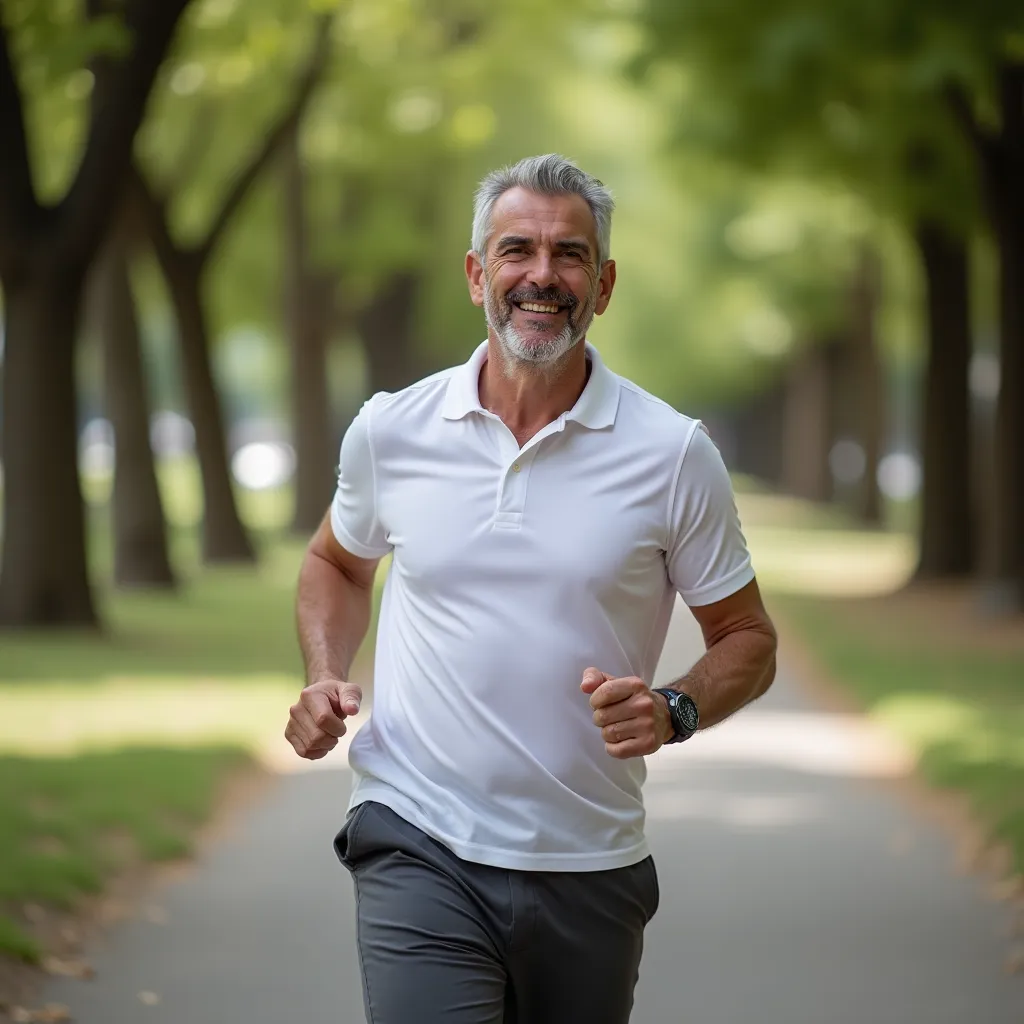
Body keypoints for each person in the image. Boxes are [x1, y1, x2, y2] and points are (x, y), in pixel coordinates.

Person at [286, 153, 777, 1024]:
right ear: (478, 274)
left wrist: (675, 708)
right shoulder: (392, 429)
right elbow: (337, 562)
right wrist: (325, 673)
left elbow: (749, 638)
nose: (542, 275)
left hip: (590, 862)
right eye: (517, 249)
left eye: (570, 254)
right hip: (416, 836)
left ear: (604, 284)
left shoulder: (672, 454)